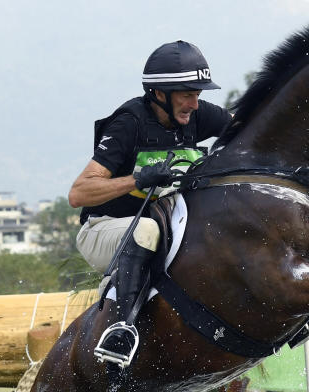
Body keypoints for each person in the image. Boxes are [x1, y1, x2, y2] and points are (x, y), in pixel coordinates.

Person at [68, 40, 230, 367]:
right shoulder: (130, 123)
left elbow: (251, 131)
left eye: (198, 94)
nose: (195, 104)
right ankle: (120, 329)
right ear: (159, 94)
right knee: (146, 228)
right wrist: (137, 180)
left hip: (164, 231)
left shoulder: (198, 115)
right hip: (104, 231)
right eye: (187, 95)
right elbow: (78, 194)